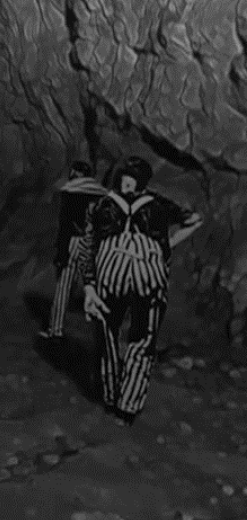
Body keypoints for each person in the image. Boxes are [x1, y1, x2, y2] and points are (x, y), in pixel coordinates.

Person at [82, 156, 203, 426]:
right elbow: (194, 220)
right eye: (125, 177)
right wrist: (166, 246)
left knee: (122, 334)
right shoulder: (141, 204)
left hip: (125, 271)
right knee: (127, 335)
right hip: (136, 273)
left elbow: (90, 245)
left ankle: (119, 399)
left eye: (129, 178)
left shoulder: (112, 204)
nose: (125, 182)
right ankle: (120, 401)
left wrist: (90, 286)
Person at [38, 161, 108, 342]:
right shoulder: (97, 196)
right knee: (95, 284)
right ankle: (102, 330)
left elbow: (66, 224)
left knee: (63, 285)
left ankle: (56, 329)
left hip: (73, 241)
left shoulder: (71, 195)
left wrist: (62, 252)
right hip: (91, 241)